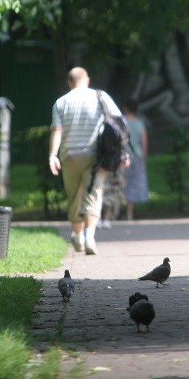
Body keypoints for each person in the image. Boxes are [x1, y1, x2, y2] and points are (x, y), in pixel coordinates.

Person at [49, 67, 126, 255]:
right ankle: (90, 235)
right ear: (88, 80)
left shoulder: (61, 102)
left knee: (74, 196)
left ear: (69, 82)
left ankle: (77, 235)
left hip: (69, 156)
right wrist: (123, 152)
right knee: (93, 193)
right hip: (95, 155)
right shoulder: (101, 97)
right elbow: (118, 124)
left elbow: (56, 130)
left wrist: (53, 155)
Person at [122, 99, 149, 220]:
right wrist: (144, 157)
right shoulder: (139, 123)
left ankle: (112, 212)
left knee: (120, 183)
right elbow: (144, 142)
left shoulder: (121, 121)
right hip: (137, 155)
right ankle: (129, 213)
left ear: (126, 108)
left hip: (123, 156)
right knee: (133, 183)